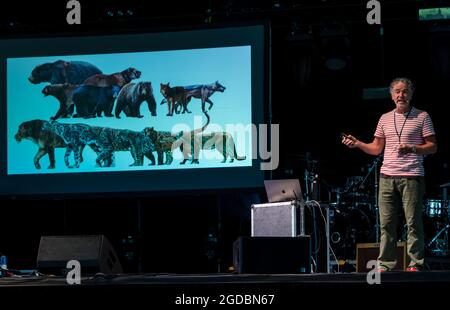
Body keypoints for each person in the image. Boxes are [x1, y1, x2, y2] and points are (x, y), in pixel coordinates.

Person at [342, 77, 437, 272]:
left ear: (410, 94)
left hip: (412, 177)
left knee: (413, 223)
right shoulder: (385, 118)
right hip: (387, 177)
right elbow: (377, 148)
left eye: (405, 91)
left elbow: (433, 147)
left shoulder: (422, 116)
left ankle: (415, 264)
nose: (401, 95)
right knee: (386, 223)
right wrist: (358, 144)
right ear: (392, 95)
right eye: (397, 91)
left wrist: (412, 148)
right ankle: (385, 263)